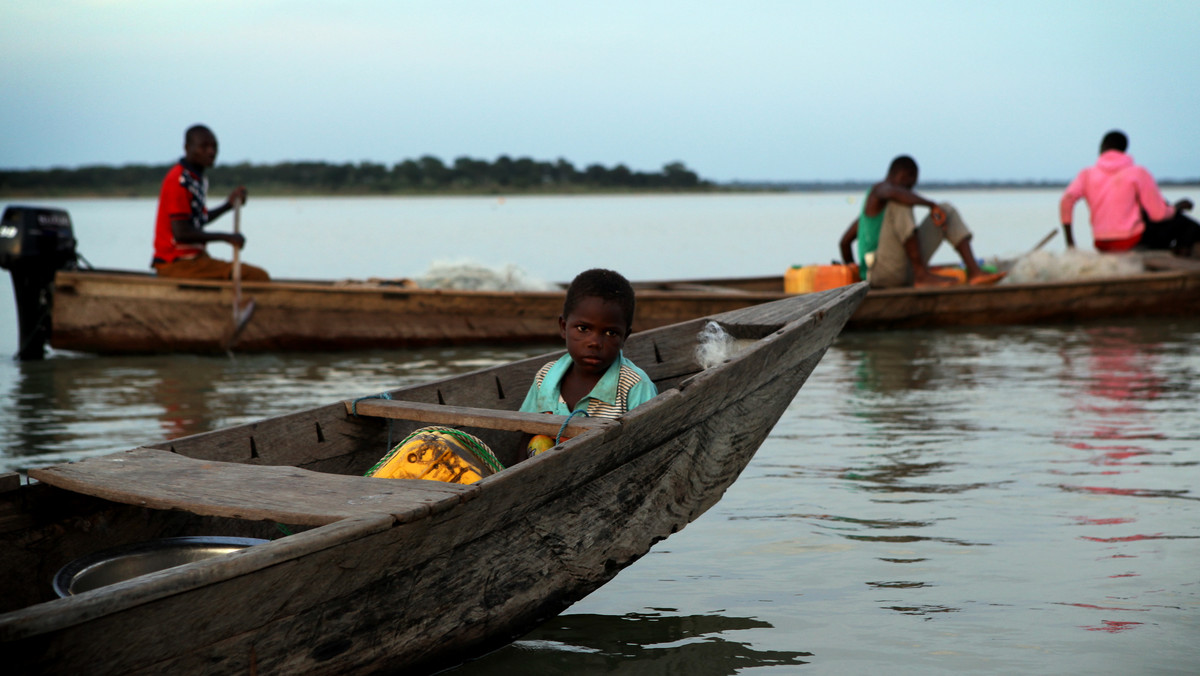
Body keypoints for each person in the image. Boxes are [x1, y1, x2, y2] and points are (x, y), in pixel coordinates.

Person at [839, 155, 1004, 288]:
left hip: (904, 270)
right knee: (901, 203)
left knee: (946, 209)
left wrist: (936, 208)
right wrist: (929, 204)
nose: (911, 190)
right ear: (904, 175)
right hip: (882, 275)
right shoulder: (879, 190)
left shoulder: (876, 217)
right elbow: (892, 192)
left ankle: (975, 272)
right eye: (910, 185)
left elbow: (844, 243)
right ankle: (922, 275)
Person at [520, 268, 658, 420]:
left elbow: (648, 438)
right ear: (564, 327)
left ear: (624, 337)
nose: (595, 343)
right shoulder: (546, 377)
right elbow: (527, 429)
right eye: (583, 329)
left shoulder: (634, 387)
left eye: (610, 333)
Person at [151, 124, 269, 280]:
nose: (211, 152)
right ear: (187, 148)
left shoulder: (196, 180)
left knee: (249, 274)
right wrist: (226, 237)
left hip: (195, 259)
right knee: (257, 276)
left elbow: (199, 220)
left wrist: (229, 205)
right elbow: (182, 233)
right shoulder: (179, 180)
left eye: (214, 147)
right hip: (176, 262)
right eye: (204, 147)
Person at [1060, 130, 1198, 257]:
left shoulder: (1086, 174)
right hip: (1132, 241)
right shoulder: (1138, 173)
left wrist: (1070, 243)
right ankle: (1180, 256)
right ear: (1124, 149)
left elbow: (1066, 201)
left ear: (1102, 148)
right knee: (1190, 226)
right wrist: (1176, 208)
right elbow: (1158, 214)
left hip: (1102, 243)